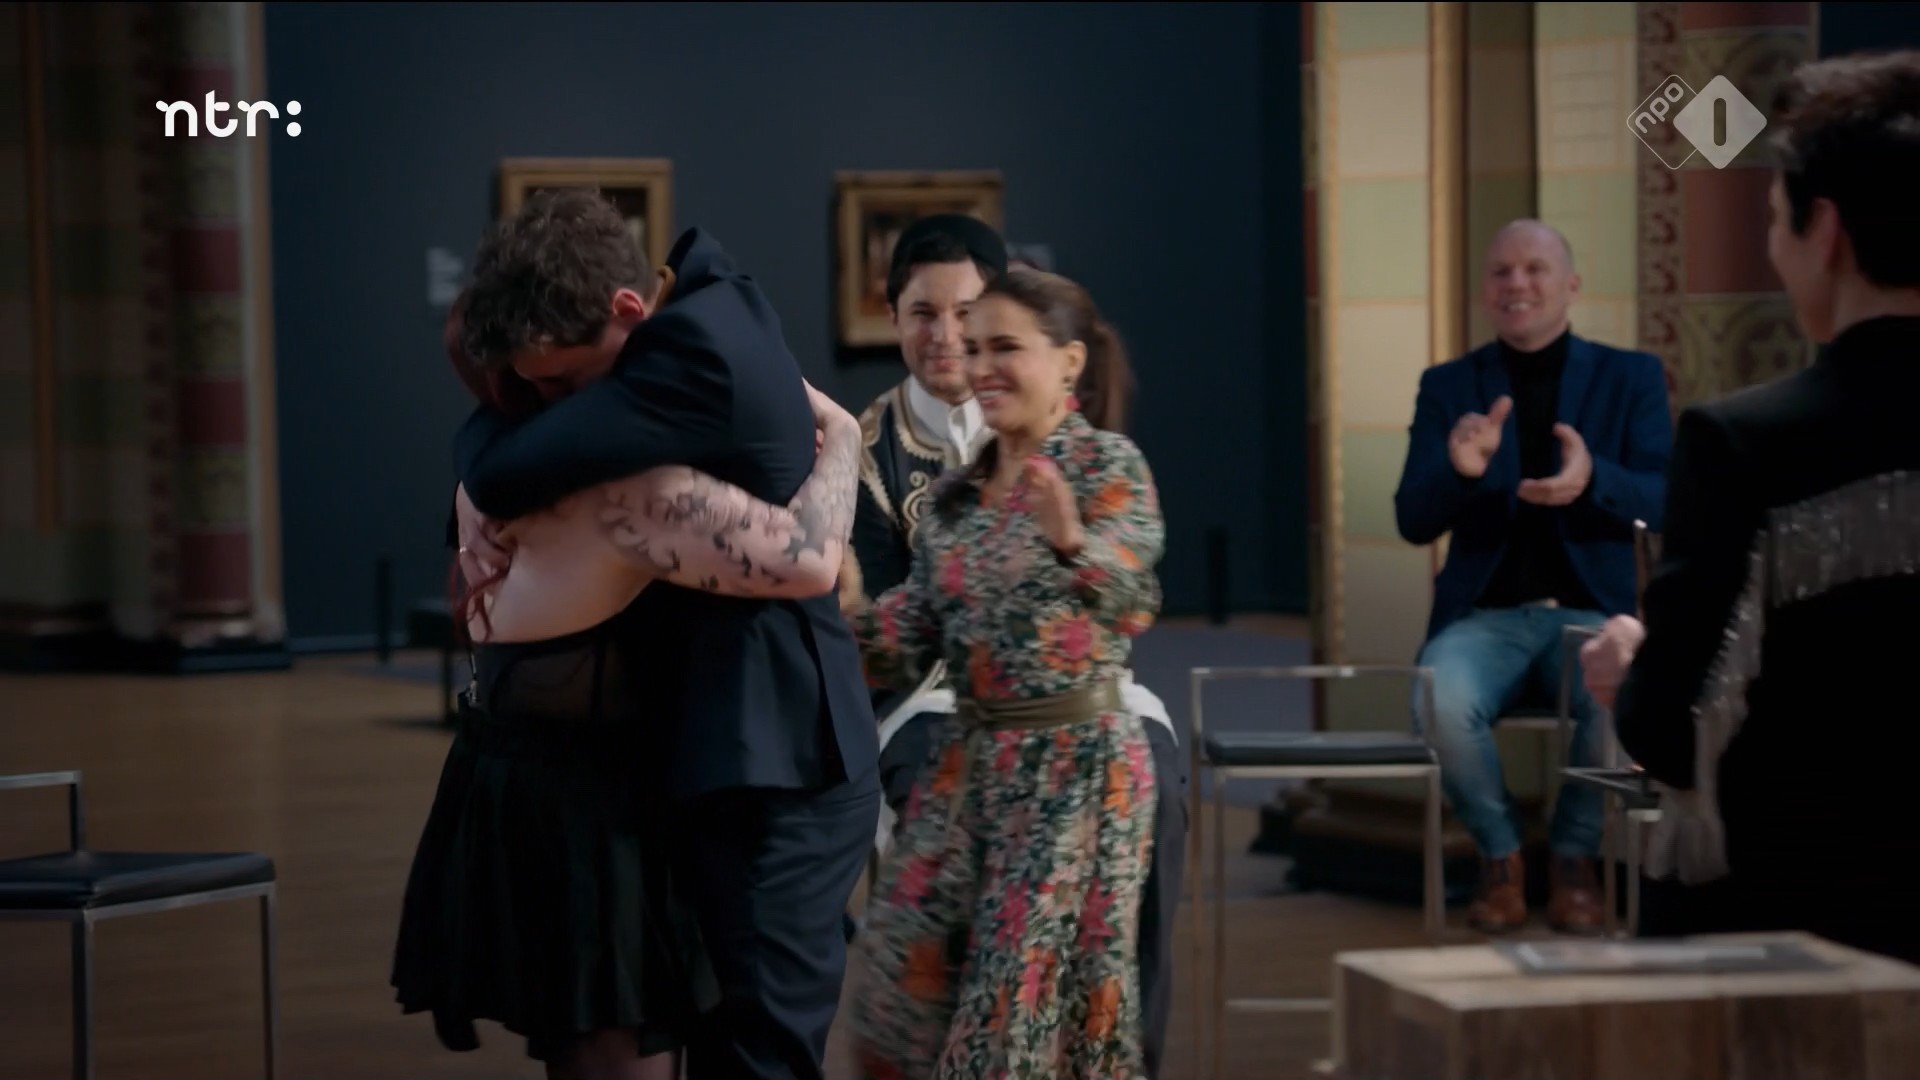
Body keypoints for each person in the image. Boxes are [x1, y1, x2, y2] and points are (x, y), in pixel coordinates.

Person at [445, 189, 881, 1080]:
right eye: (528, 388)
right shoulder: (690, 334)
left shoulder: (686, 370)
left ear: (629, 310)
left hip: (774, 764)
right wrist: (841, 435)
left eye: (560, 381)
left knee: (751, 1052)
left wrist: (843, 438)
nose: (552, 406)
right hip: (645, 773)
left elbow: (809, 564)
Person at [1578, 50, 1920, 965]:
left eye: (1774, 219)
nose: (1773, 248)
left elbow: (1670, 727)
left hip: (1801, 924)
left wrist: (1633, 666)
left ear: (1825, 231)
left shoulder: (1746, 444)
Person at [848, 214, 1187, 1075]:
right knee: (891, 999)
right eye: (974, 346)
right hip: (969, 763)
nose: (975, 362)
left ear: (1068, 362)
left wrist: (1072, 541)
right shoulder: (954, 497)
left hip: (1073, 775)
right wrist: (843, 609)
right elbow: (902, 640)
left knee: (1015, 1022)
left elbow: (1134, 599)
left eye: (1002, 345)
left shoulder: (1105, 466)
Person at [1392, 219, 1674, 934]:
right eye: (1501, 272)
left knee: (1624, 694)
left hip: (1593, 612)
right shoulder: (1448, 385)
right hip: (1485, 618)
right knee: (1440, 697)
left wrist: (1594, 478)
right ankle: (1502, 859)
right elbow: (1413, 518)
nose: (1516, 284)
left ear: (1570, 285)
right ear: (1486, 291)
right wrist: (1460, 472)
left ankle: (1576, 859)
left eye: (1534, 270)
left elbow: (1668, 498)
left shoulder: (1630, 377)